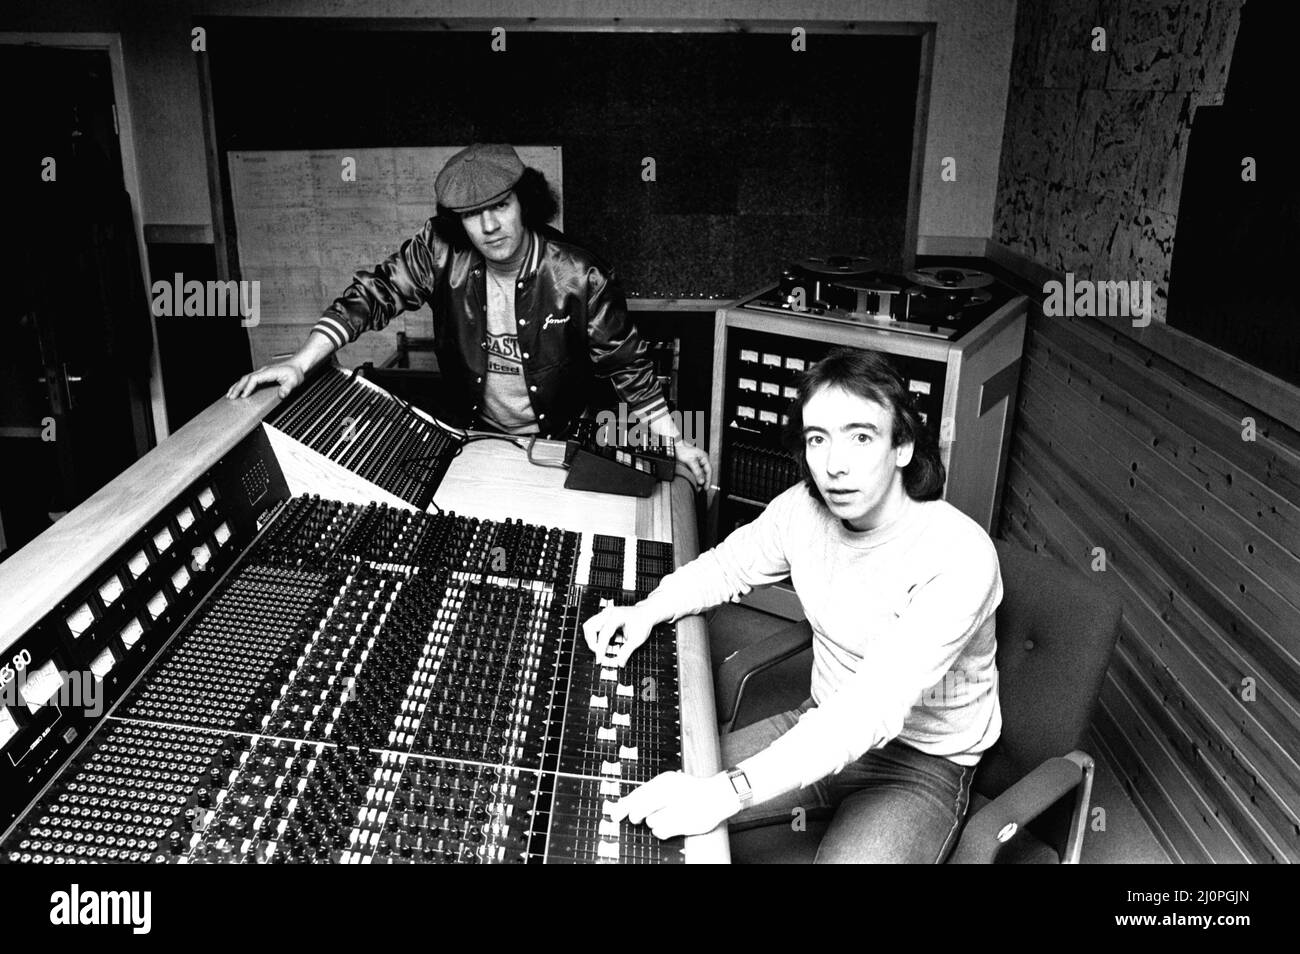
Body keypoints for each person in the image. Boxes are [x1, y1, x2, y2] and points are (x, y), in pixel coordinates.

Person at [583, 347, 1002, 862]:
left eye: (862, 437)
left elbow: (871, 707)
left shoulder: (960, 556)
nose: (835, 465)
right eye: (818, 439)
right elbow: (726, 566)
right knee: (641, 802)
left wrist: (728, 790)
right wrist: (648, 608)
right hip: (818, 719)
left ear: (903, 447)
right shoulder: (803, 510)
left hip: (919, 763)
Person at [227, 142, 710, 487]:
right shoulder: (438, 251)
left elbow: (628, 367)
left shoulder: (581, 273)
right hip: (468, 441)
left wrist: (676, 443)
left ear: (526, 201)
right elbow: (373, 295)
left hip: (557, 446)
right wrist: (301, 361)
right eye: (472, 213)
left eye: (501, 205)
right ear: (455, 220)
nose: (491, 225)